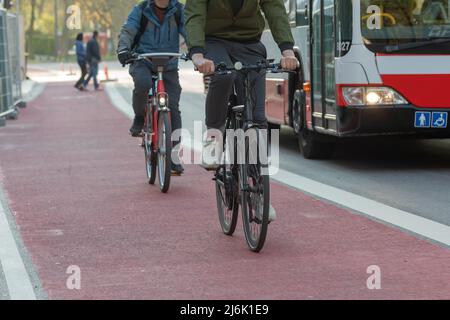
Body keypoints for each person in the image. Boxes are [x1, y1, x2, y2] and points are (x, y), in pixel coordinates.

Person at [185, 0, 299, 220]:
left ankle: (258, 195)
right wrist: (197, 54)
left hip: (250, 44)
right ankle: (214, 137)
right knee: (223, 75)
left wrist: (287, 50)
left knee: (257, 119)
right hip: (214, 42)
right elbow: (195, 13)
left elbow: (275, 9)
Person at [117, 0, 186, 175]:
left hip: (168, 62)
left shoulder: (178, 10)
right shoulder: (140, 10)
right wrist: (124, 49)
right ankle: (140, 117)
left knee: (174, 107)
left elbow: (190, 31)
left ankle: (172, 157)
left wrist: (197, 49)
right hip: (143, 60)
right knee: (143, 83)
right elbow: (128, 30)